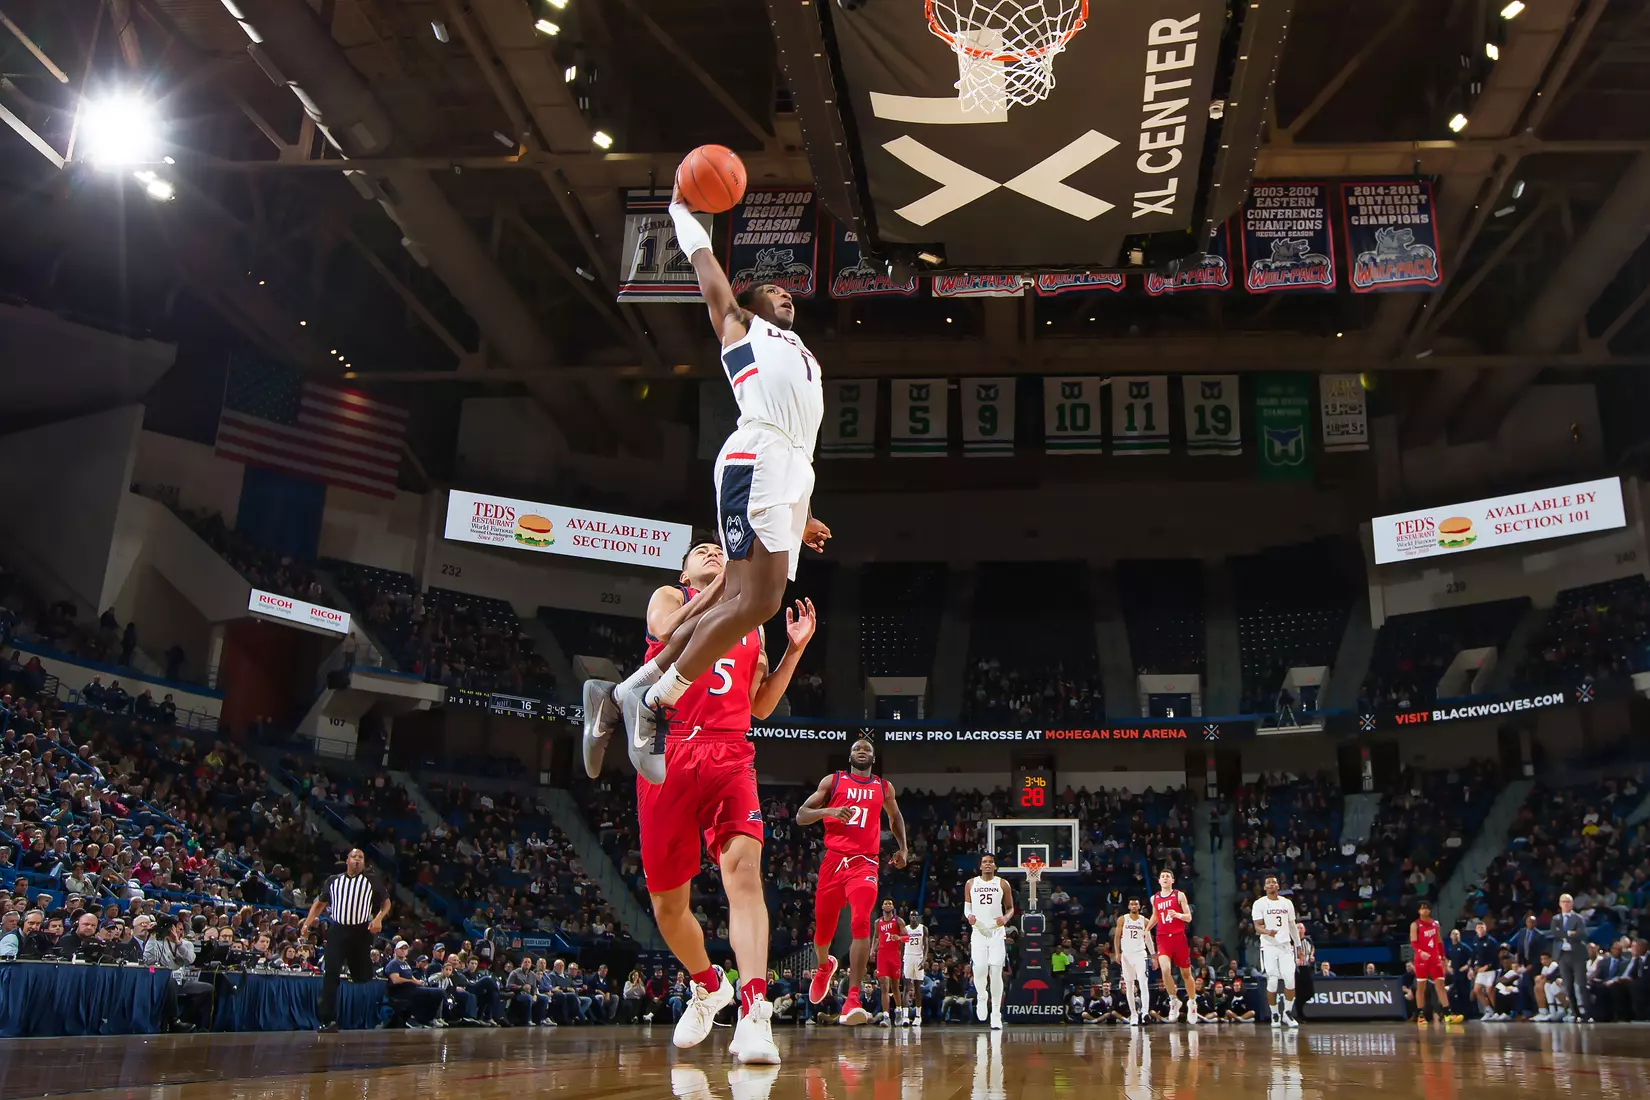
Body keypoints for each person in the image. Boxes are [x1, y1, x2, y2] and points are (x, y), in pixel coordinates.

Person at [612, 172, 831, 786]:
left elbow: (803, 440)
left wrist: (802, 510)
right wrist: (683, 212)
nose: (786, 295)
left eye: (789, 292)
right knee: (754, 601)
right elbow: (707, 269)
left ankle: (635, 688)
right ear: (749, 305)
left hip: (789, 468)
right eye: (773, 291)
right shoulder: (741, 328)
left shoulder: (804, 354)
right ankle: (653, 700)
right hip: (756, 454)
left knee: (751, 600)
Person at [797, 738, 910, 1027]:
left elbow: (895, 816)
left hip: (865, 863)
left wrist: (903, 848)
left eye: (867, 749)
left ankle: (853, 999)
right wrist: (828, 811)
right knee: (823, 933)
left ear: (873, 758)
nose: (862, 751)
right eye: (857, 748)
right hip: (833, 862)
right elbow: (801, 816)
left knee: (861, 921)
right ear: (850, 756)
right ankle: (825, 966)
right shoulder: (833, 781)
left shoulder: (883, 787)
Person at [301, 848, 392, 1033]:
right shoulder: (333, 881)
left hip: (361, 931)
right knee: (331, 973)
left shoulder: (371, 880)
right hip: (338, 930)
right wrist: (307, 924)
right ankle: (327, 1020)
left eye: (361, 857)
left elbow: (386, 902)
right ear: (347, 861)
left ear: (364, 862)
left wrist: (378, 918)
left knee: (362, 976)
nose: (357, 860)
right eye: (354, 857)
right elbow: (319, 904)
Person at [965, 853, 1015, 1030]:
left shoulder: (1002, 884)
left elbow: (1010, 908)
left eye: (991, 862)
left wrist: (1005, 918)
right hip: (979, 931)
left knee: (995, 972)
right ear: (980, 866)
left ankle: (996, 1013)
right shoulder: (971, 883)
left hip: (996, 932)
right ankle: (981, 996)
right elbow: (967, 908)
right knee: (979, 969)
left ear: (995, 866)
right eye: (984, 862)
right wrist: (969, 917)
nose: (987, 864)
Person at [142, 916, 212, 1032]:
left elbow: (190, 960)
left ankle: (186, 1019)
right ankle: (174, 1021)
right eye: (174, 928)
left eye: (180, 929)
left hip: (181, 981)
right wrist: (153, 936)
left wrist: (178, 943)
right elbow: (148, 960)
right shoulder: (157, 942)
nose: (176, 931)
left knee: (208, 989)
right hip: (162, 981)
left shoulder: (186, 944)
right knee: (170, 979)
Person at [1148, 869, 1199, 1023]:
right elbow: (1155, 916)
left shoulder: (1179, 895)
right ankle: (1173, 1000)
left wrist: (1178, 915)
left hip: (1178, 938)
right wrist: (1147, 929)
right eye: (1162, 876)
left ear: (1172, 880)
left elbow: (1189, 917)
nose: (1165, 878)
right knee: (1165, 969)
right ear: (1159, 881)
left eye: (1167, 876)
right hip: (1163, 938)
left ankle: (1192, 1002)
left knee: (1186, 974)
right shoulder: (1154, 898)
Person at [1251, 875, 1301, 1028]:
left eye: (1274, 882)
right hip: (1269, 946)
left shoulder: (1287, 903)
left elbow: (1292, 925)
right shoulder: (1259, 903)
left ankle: (1287, 1013)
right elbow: (1257, 926)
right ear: (1264, 887)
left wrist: (1298, 944)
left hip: (1285, 946)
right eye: (1268, 883)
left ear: (1278, 886)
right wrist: (1268, 932)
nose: (1272, 884)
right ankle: (1274, 1014)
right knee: (1272, 981)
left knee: (1290, 979)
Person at [1409, 901, 1460, 1023]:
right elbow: (1414, 942)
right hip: (1421, 960)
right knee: (1421, 987)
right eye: (1422, 908)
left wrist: (1442, 957)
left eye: (1427, 908)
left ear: (1430, 910)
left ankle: (1447, 1014)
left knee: (1440, 986)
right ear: (1418, 911)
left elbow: (1439, 941)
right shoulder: (1415, 925)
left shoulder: (1435, 924)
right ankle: (1420, 1015)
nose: (1425, 910)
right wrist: (1420, 952)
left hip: (1434, 959)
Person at [384, 940, 447, 1028]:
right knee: (430, 994)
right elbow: (395, 980)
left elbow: (410, 976)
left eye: (405, 949)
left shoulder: (405, 963)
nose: (403, 950)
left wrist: (417, 981)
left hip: (411, 988)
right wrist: (412, 981)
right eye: (401, 948)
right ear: (395, 950)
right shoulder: (393, 964)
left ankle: (427, 1019)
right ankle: (413, 1019)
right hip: (400, 991)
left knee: (439, 992)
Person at [1113, 897, 1155, 1026]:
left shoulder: (1145, 921)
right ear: (1128, 906)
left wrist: (1153, 955)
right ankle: (1133, 1014)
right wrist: (1117, 953)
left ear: (1139, 906)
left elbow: (1148, 940)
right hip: (1126, 955)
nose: (1134, 906)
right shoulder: (1122, 919)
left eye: (1136, 904)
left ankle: (1145, 1013)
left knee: (1143, 983)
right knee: (1129, 985)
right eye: (1132, 904)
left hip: (1140, 954)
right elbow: (1116, 937)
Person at [1551, 892, 1590, 1021]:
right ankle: (1575, 1013)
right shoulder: (1556, 919)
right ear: (1559, 904)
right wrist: (1570, 933)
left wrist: (1564, 934)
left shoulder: (1578, 918)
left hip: (1577, 954)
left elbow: (1581, 933)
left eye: (1568, 901)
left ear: (1572, 904)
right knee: (1568, 985)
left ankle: (1587, 1013)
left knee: (1581, 984)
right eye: (1563, 901)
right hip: (1563, 955)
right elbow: (1555, 933)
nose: (1566, 904)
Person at [871, 899, 907, 1026]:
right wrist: (872, 950)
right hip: (882, 955)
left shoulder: (898, 921)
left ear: (893, 906)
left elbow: (907, 938)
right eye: (885, 903)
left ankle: (898, 1011)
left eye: (890, 903)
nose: (887, 905)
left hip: (894, 955)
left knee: (895, 986)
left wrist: (899, 938)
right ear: (882, 906)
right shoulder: (877, 922)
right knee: (884, 986)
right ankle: (886, 1016)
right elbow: (876, 937)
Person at [901, 908, 928, 1028]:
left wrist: (924, 959)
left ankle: (918, 1016)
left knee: (917, 988)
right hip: (908, 957)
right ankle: (905, 1016)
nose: (913, 918)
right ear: (909, 917)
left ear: (918, 917)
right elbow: (901, 945)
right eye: (911, 916)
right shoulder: (905, 929)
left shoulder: (923, 928)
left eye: (915, 916)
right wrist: (901, 959)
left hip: (918, 957)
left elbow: (926, 945)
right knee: (907, 987)